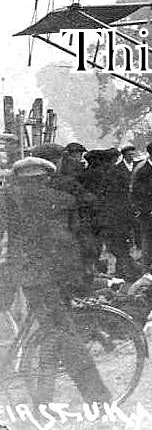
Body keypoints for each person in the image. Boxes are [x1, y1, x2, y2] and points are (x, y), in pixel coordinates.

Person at [0, 156, 111, 403]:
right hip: (59, 277)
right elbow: (76, 242)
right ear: (46, 177)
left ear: (20, 179)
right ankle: (97, 398)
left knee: (54, 334)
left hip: (28, 278)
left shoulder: (9, 200)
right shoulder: (62, 201)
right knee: (62, 336)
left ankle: (45, 399)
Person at [84, 148, 140, 279]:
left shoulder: (86, 175)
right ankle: (124, 270)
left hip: (97, 216)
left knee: (102, 245)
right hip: (116, 215)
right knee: (119, 245)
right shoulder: (115, 173)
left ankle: (101, 272)